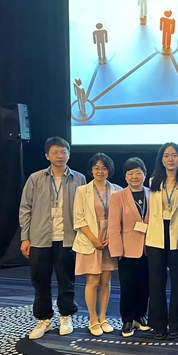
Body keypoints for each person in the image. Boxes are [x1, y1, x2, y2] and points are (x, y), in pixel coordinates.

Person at [19, 137, 86, 339]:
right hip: (39, 238)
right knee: (40, 281)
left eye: (63, 152)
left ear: (69, 154)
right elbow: (25, 209)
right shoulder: (35, 178)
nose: (60, 156)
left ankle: (66, 315)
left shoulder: (79, 179)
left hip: (68, 238)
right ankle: (44, 319)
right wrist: (25, 237)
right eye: (55, 152)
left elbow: (84, 210)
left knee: (67, 280)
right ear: (47, 155)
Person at [73, 153, 122, 336]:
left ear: (109, 170)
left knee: (106, 281)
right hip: (90, 240)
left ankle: (103, 318)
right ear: (91, 170)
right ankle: (93, 319)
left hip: (109, 241)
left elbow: (121, 218)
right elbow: (78, 219)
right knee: (92, 281)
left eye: (104, 168)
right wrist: (94, 239)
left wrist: (112, 238)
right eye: (97, 168)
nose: (100, 171)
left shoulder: (117, 190)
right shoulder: (82, 191)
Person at [146, 143, 178, 339]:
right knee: (156, 283)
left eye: (174, 155)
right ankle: (158, 324)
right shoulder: (153, 181)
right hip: (156, 236)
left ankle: (176, 324)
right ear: (161, 159)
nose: (170, 159)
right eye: (166, 156)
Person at [108, 158, 151, 338]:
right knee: (128, 286)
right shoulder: (118, 197)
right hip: (126, 250)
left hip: (149, 248)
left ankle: (140, 316)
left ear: (144, 174)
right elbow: (113, 226)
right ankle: (127, 319)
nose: (134, 176)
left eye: (138, 173)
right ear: (125, 177)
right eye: (130, 173)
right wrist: (116, 250)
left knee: (145, 286)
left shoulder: (152, 194)